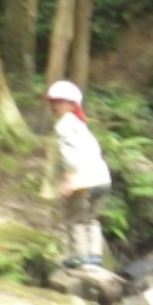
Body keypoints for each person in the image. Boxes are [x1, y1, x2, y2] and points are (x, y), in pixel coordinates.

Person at [46, 79, 111, 269]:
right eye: (53, 101)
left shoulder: (64, 126)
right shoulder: (81, 126)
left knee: (73, 219)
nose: (54, 106)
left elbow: (69, 156)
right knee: (91, 219)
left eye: (58, 102)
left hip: (83, 181)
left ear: (71, 104)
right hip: (102, 179)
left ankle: (79, 257)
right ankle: (94, 256)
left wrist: (68, 181)